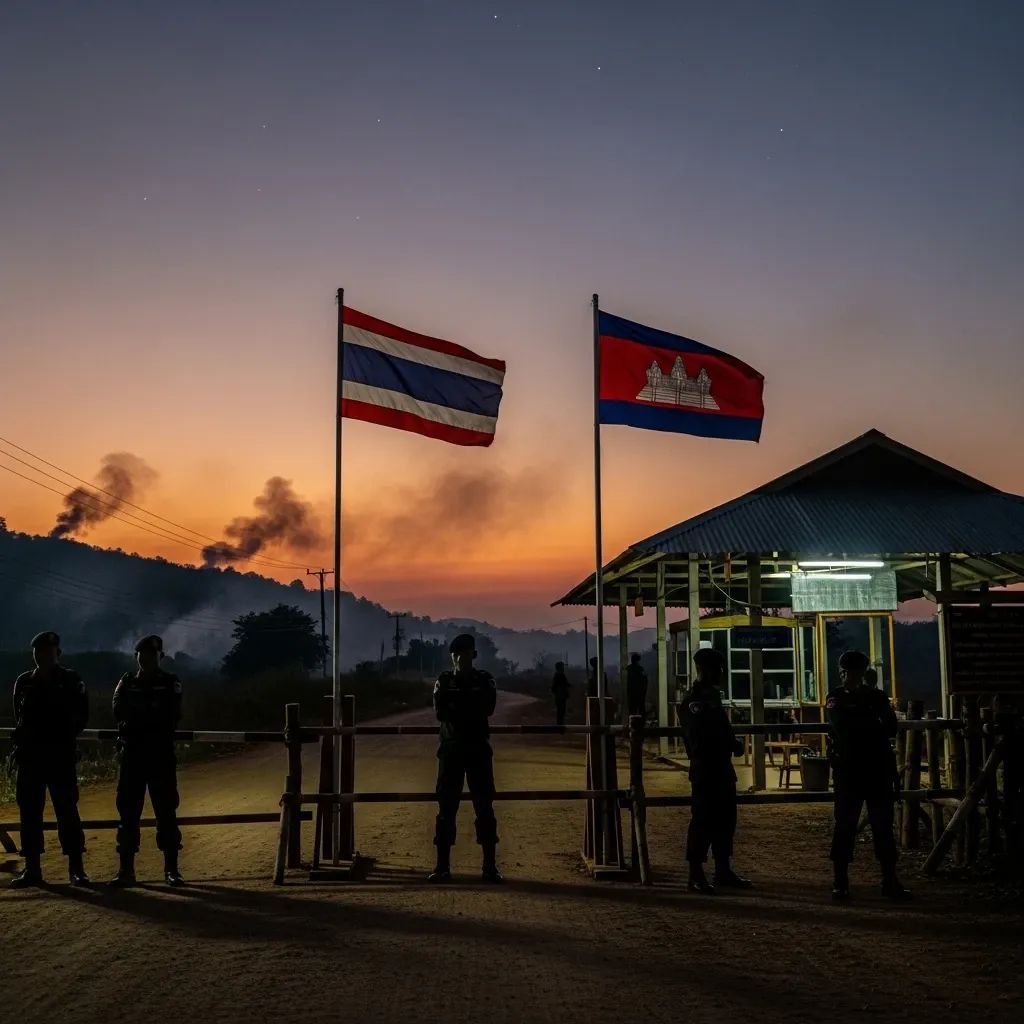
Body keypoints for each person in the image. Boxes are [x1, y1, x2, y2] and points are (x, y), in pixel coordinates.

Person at [826, 649, 910, 901]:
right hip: (866, 768)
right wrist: (871, 722)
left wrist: (860, 721)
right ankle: (850, 881)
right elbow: (847, 729)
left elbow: (888, 727)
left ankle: (849, 882)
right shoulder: (867, 698)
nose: (846, 675)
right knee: (852, 826)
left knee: (872, 826)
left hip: (861, 769)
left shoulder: (843, 697)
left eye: (849, 670)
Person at [9, 631, 89, 888]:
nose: (42, 656)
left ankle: (76, 869)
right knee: (29, 815)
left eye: (48, 651)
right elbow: (17, 717)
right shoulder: (24, 682)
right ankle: (33, 869)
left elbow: (81, 716)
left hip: (59, 757)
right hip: (31, 759)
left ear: (58, 654)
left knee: (67, 813)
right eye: (38, 652)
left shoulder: (70, 680)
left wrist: (62, 739)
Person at [110, 635, 185, 887]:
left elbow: (172, 714)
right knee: (128, 814)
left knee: (166, 813)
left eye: (152, 655)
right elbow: (118, 710)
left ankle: (172, 870)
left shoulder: (170, 682)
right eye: (142, 655)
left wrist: (140, 717)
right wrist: (147, 715)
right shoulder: (127, 682)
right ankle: (126, 870)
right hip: (133, 756)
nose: (146, 659)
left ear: (160, 657)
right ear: (137, 657)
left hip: (159, 755)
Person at [430, 634, 501, 883]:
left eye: (465, 654)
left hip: (477, 751)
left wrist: (458, 705)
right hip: (452, 751)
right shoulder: (444, 680)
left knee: (484, 808)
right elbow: (441, 712)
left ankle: (489, 867)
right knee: (446, 810)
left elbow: (487, 709)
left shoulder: (484, 680)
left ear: (474, 655)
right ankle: (442, 866)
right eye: (456, 655)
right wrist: (468, 705)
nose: (460, 659)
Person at [680, 647, 751, 894]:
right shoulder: (695, 701)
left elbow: (721, 729)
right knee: (702, 821)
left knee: (725, 820)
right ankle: (695, 874)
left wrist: (732, 744)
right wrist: (730, 743)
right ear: (704, 670)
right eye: (716, 669)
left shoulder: (712, 697)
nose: (720, 673)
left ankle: (723, 870)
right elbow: (702, 737)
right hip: (706, 769)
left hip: (721, 768)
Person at [625, 653, 648, 722]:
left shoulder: (628, 669)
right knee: (641, 709)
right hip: (639, 693)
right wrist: (644, 692)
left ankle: (632, 723)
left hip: (631, 693)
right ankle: (641, 723)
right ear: (638, 660)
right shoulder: (640, 669)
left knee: (632, 710)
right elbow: (645, 681)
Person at [551, 662, 570, 726]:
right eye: (562, 667)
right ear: (559, 667)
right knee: (561, 710)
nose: (563, 668)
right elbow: (564, 684)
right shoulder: (560, 675)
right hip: (561, 696)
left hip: (560, 695)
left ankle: (560, 724)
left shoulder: (558, 675)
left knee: (560, 710)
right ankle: (560, 724)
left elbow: (553, 687)